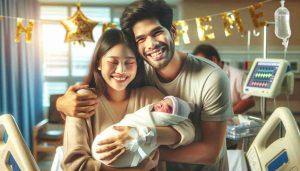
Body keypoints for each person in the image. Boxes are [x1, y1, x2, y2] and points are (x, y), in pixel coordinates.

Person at [57, 0, 234, 170]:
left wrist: (144, 140)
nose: (151, 44)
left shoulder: (211, 78)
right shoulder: (140, 70)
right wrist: (61, 103)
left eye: (157, 32)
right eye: (141, 39)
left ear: (172, 32)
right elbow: (74, 163)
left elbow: (210, 151)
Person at [60, 29, 195, 171]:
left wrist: (146, 135)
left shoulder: (149, 96)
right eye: (113, 62)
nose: (121, 70)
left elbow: (188, 130)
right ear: (98, 63)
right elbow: (74, 165)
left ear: (137, 64)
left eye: (129, 62)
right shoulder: (82, 100)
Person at [91, 96, 194, 168]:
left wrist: (142, 134)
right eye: (162, 102)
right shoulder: (88, 100)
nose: (160, 105)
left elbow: (189, 130)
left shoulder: (149, 94)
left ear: (172, 117)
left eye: (168, 108)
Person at [192, 44, 255, 114]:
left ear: (213, 60)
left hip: (234, 121)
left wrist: (226, 115)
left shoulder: (238, 75)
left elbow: (249, 101)